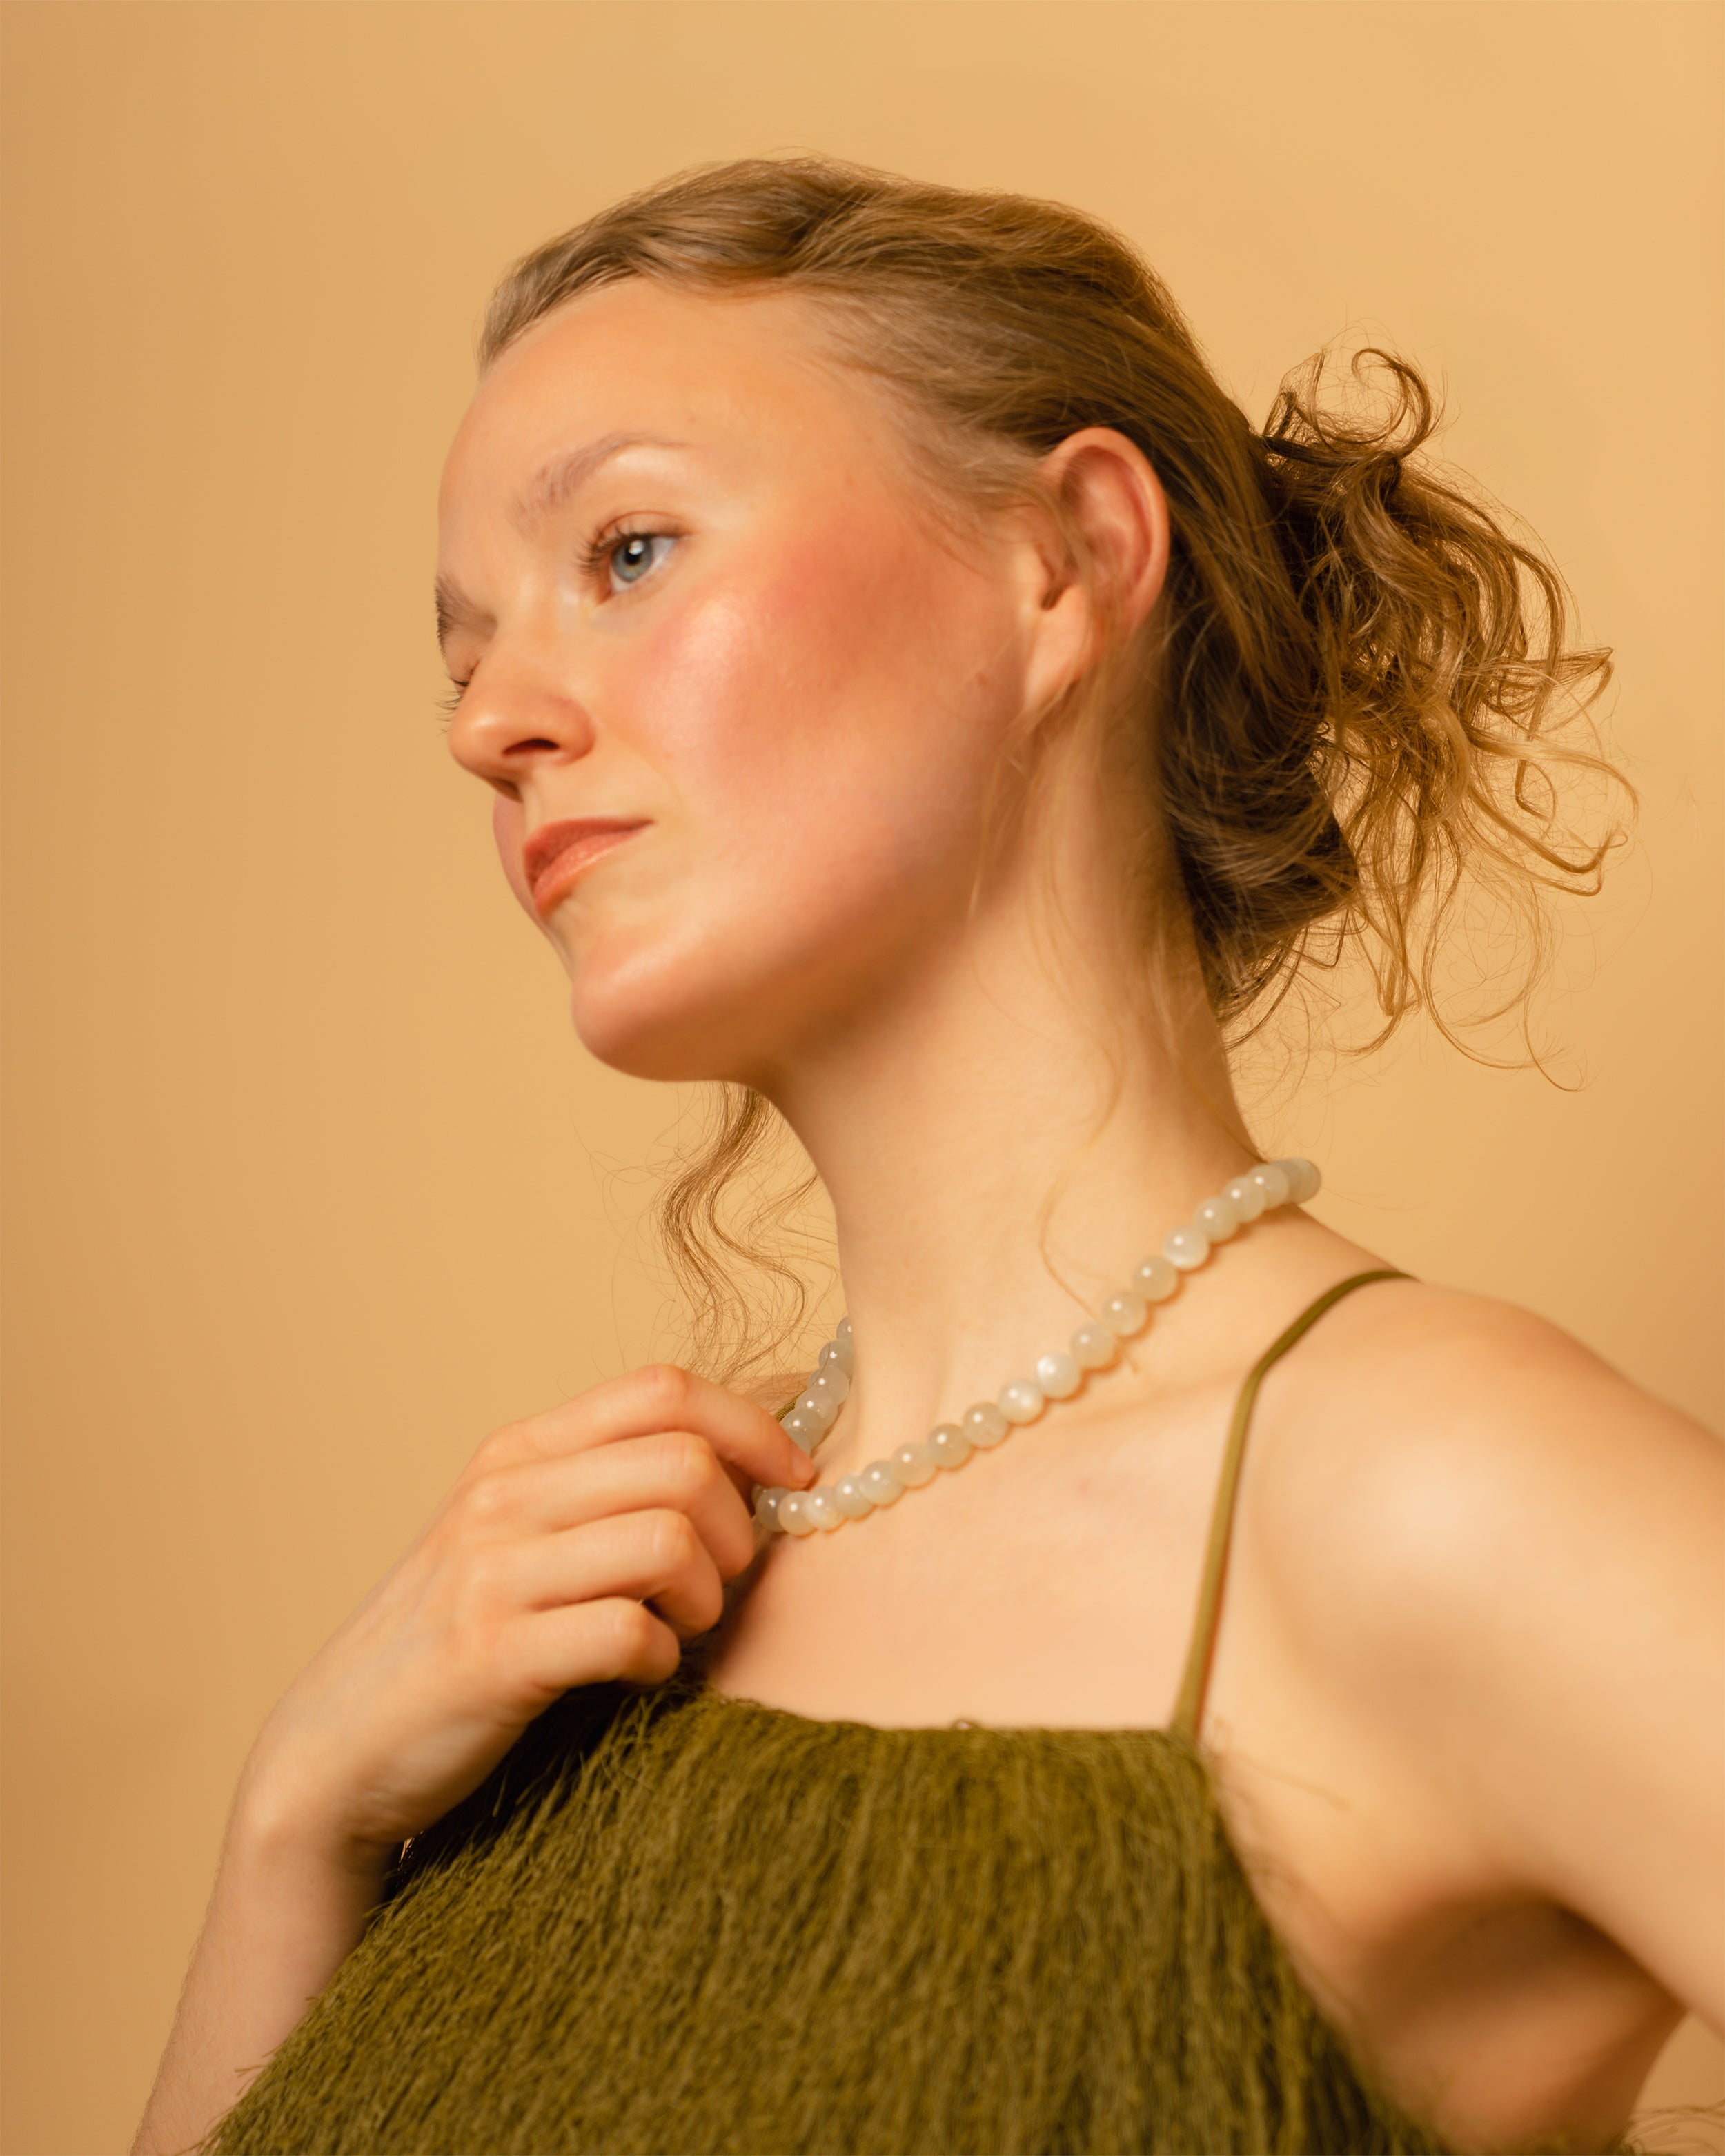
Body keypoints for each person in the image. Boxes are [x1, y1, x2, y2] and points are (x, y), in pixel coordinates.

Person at [135, 157, 1722, 2156]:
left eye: (626, 552)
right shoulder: (594, 1600)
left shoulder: (1426, 1498)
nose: (493, 723)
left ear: (1063, 559)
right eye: (464, 658)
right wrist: (295, 1823)